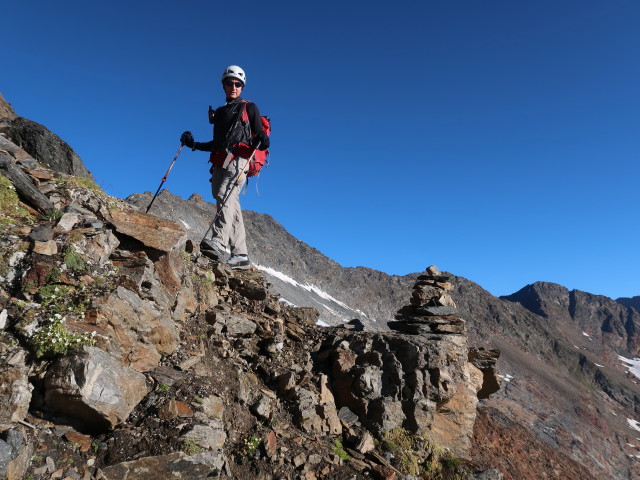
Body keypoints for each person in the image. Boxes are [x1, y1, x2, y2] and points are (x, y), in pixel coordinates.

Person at [180, 65, 269, 270]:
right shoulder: (220, 113)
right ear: (223, 85)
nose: (234, 86)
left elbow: (258, 135)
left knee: (224, 194)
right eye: (230, 83)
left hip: (240, 160)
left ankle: (218, 240)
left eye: (238, 84)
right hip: (221, 161)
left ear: (242, 87)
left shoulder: (250, 107)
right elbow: (217, 143)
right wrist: (193, 144)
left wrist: (263, 140)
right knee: (230, 201)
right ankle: (241, 254)